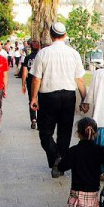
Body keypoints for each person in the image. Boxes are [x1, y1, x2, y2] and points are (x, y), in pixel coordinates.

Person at [30, 22, 86, 178]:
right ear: (65, 35)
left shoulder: (43, 53)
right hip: (68, 96)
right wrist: (84, 98)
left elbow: (36, 78)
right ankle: (59, 163)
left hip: (48, 97)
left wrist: (33, 97)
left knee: (45, 133)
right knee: (64, 133)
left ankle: (56, 159)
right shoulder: (73, 54)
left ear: (50, 34)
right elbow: (79, 79)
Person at [21, 40, 40, 129]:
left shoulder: (27, 58)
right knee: (40, 100)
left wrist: (23, 85)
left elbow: (24, 72)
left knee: (32, 99)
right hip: (40, 81)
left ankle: (33, 119)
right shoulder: (41, 57)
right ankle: (40, 120)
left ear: (30, 48)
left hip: (30, 82)